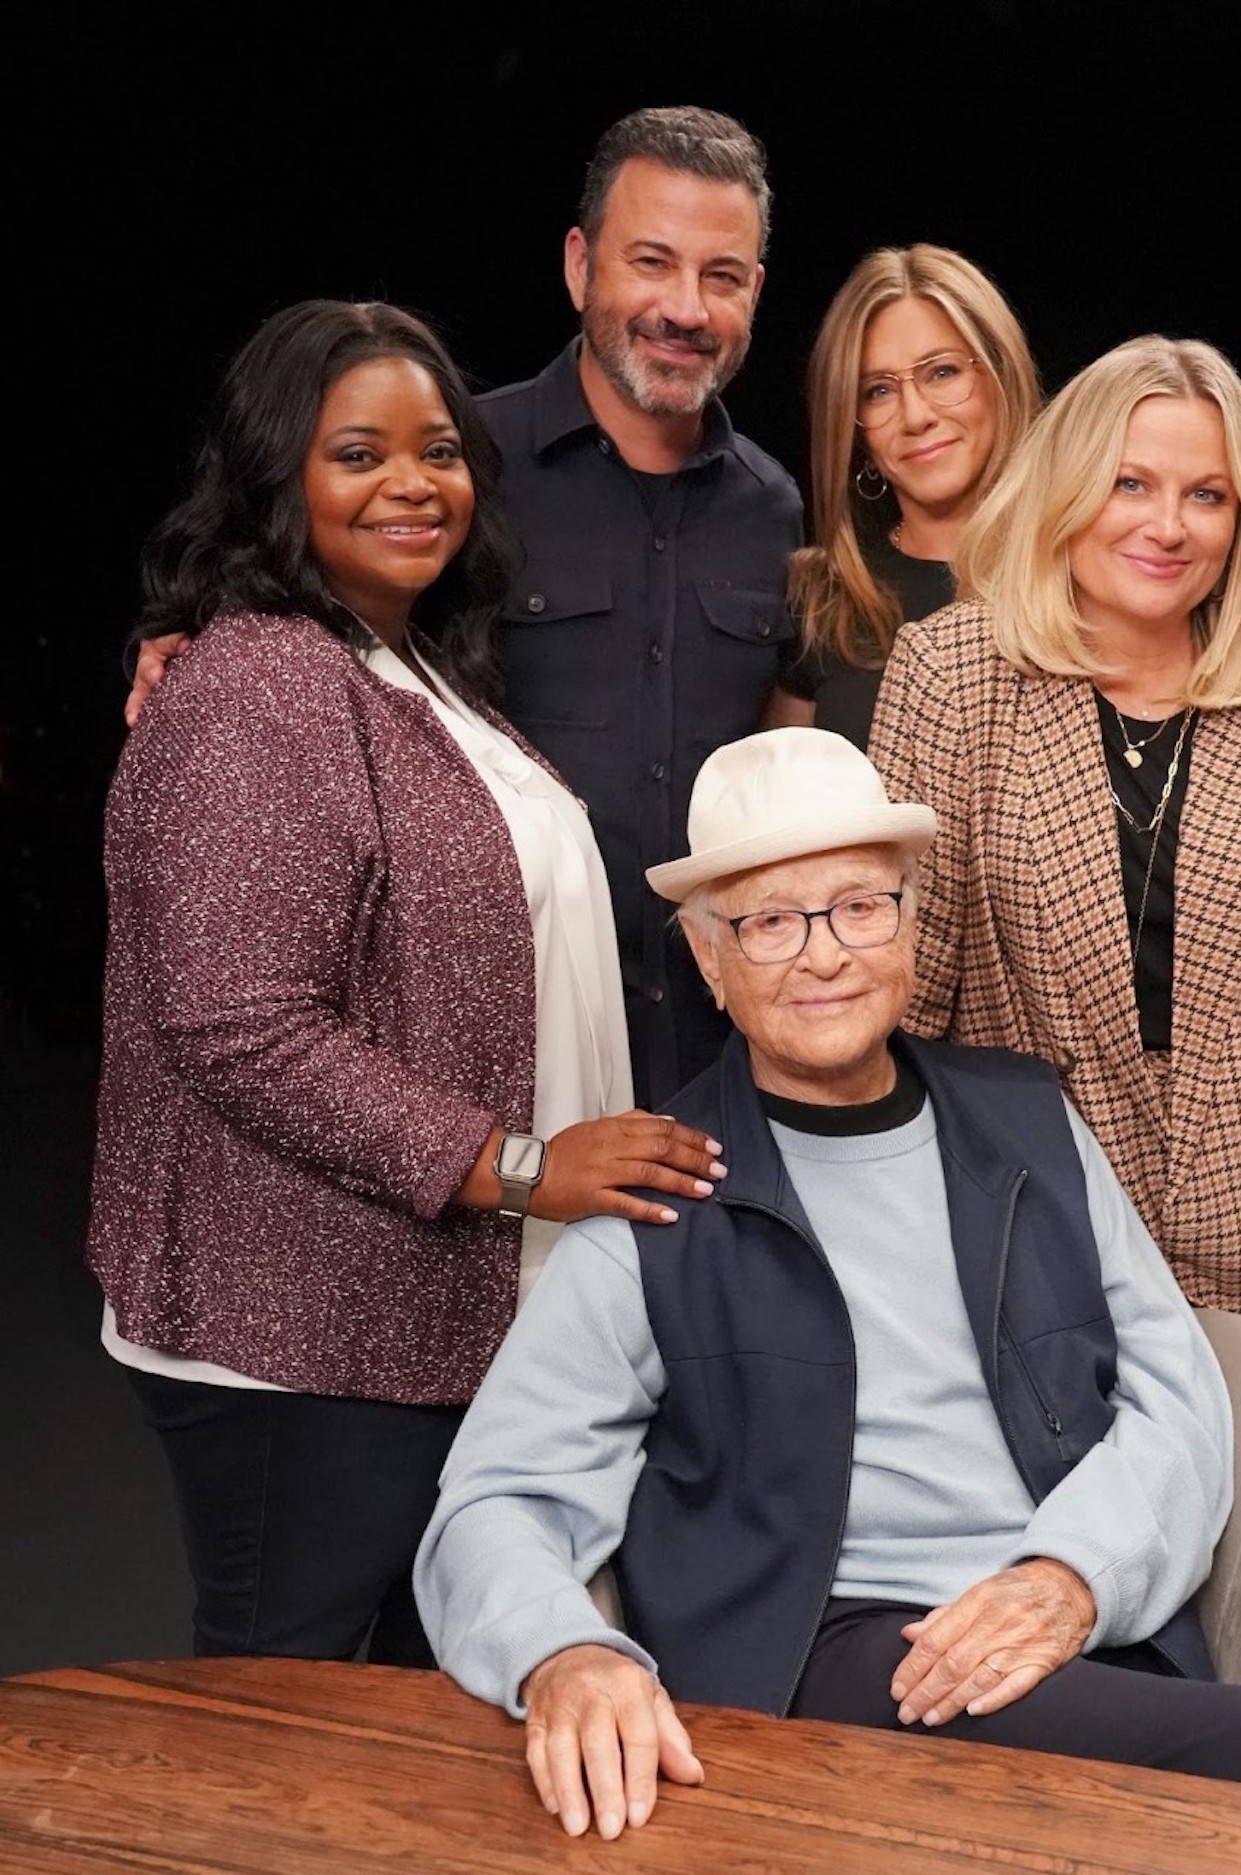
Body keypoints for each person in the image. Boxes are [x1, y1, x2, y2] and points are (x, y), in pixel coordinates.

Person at [413, 726, 1241, 1841]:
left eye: (860, 906)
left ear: (912, 927)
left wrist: (1073, 1575)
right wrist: (564, 1651)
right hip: (825, 1651)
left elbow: (1181, 1394)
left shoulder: (1030, 1123)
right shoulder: (656, 1193)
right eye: (770, 921)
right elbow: (496, 1497)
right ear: (708, 961)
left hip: (1064, 1619)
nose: (823, 955)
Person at [87, 298, 723, 1669]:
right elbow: (235, 1019)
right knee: (285, 1724)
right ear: (277, 476)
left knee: (400, 1723)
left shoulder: (403, 666)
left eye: (437, 449)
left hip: (404, 1324)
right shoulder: (258, 684)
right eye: (358, 453)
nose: (412, 485)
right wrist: (514, 1163)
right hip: (300, 1339)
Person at [867, 334, 1241, 1560]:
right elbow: (906, 993)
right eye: (1133, 483)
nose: (1169, 524)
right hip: (1051, 1252)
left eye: (1206, 494)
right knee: (1078, 1647)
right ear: (1070, 487)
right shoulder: (953, 677)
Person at [125, 107, 804, 1111]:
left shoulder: (777, 508)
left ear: (754, 290)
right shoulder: (453, 466)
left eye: (722, 275)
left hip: (717, 1059)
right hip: (475, 1061)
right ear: (580, 267)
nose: (685, 308)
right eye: (651, 263)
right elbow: (292, 594)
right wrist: (185, 635)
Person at [766, 244, 1241, 753]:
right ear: (854, 427)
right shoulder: (821, 598)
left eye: (942, 372)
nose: (917, 415)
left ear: (1001, 376)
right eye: (877, 390)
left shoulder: (1115, 569)